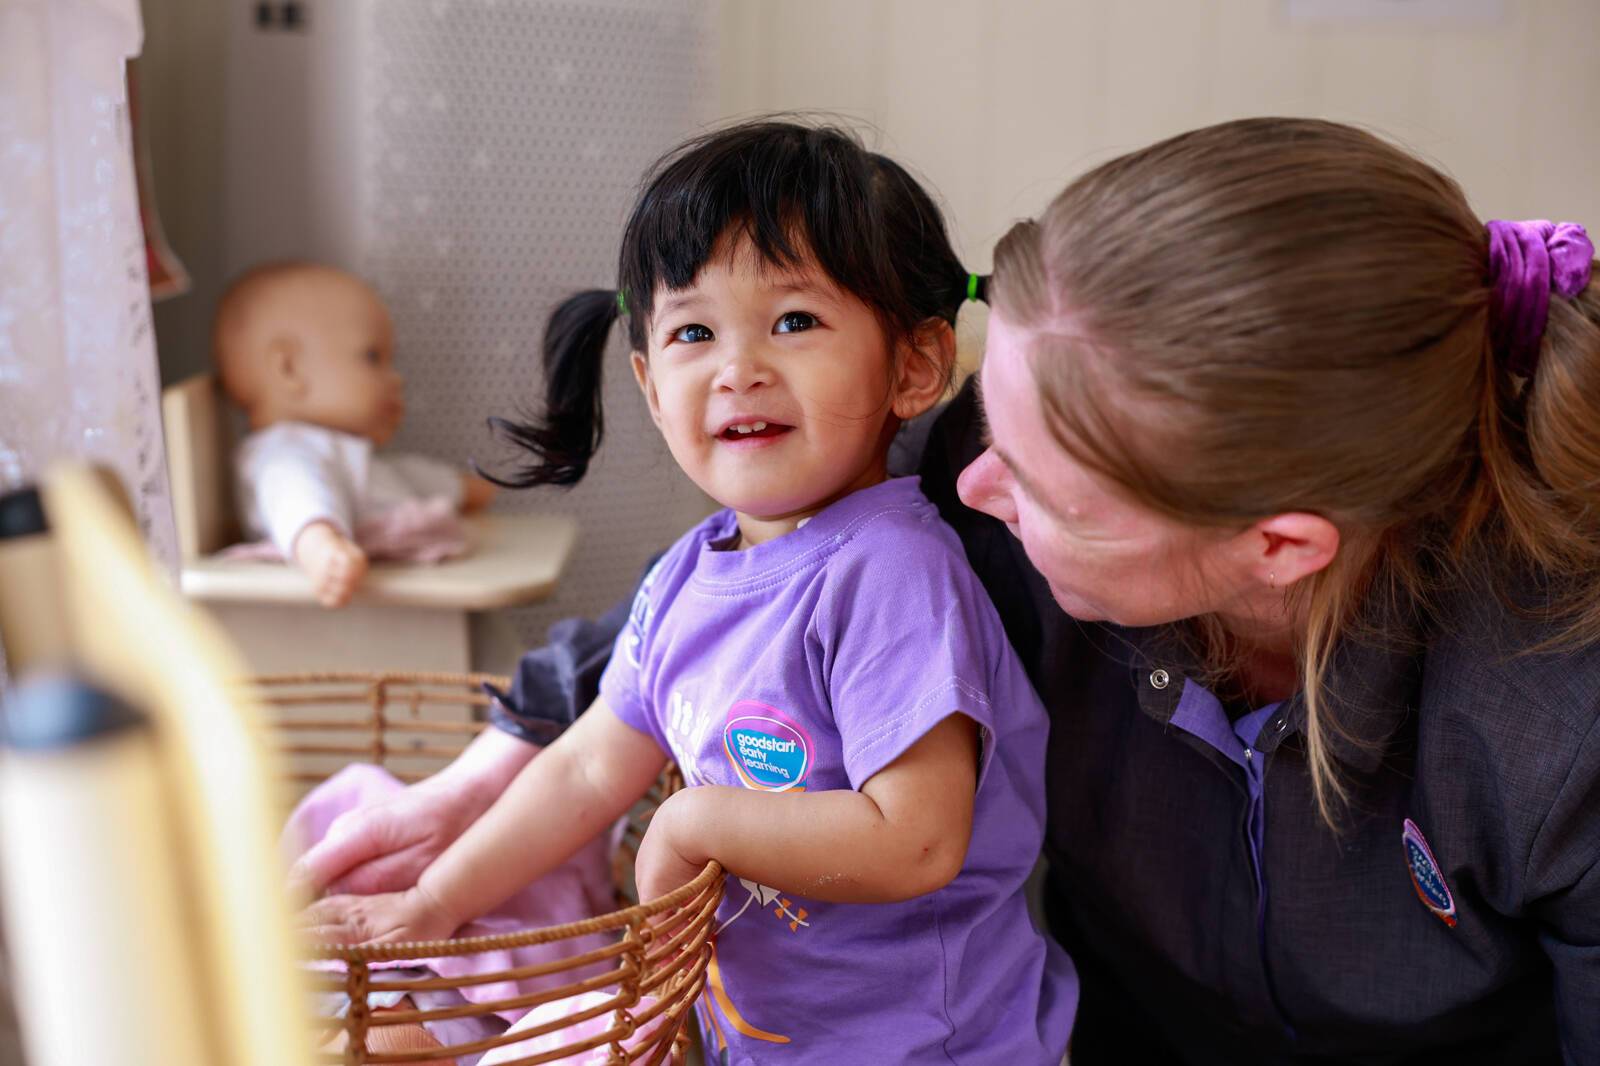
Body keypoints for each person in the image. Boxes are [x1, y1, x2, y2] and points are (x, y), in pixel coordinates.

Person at [297, 117, 1600, 1063]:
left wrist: (690, 821)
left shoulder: (1553, 725)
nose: (967, 485)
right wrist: (469, 802)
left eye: (1040, 485)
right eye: (984, 428)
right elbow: (708, 617)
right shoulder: (973, 481)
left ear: (1279, 546)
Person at [302, 120, 1077, 1065]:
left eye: (795, 321)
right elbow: (585, 770)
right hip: (745, 1034)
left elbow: (916, 841)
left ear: (912, 367)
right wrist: (430, 902)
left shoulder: (891, 573)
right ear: (650, 385)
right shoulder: (683, 576)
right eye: (694, 333)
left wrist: (694, 821)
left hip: (918, 1048)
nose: (737, 369)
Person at [214, 262, 497, 608]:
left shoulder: (336, 451)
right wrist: (321, 548)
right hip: (374, 606)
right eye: (372, 357)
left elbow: (391, 477)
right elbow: (296, 500)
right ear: (288, 368)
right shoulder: (284, 454)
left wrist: (457, 487)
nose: (397, 379)